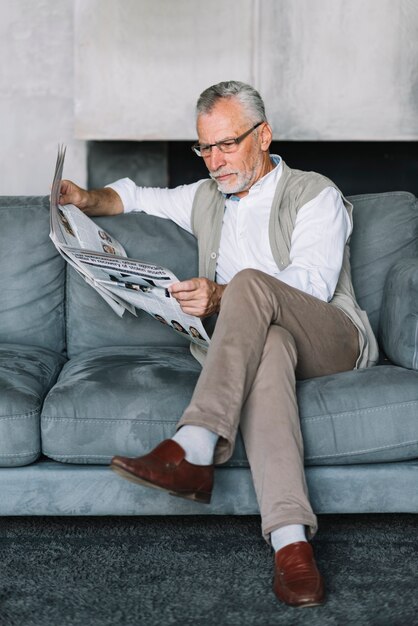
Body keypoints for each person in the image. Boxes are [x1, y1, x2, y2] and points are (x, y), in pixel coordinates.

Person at [59, 80, 378, 608]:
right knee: (269, 347)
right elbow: (137, 196)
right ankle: (290, 543)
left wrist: (223, 295)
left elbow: (312, 286)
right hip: (261, 347)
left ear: (264, 135)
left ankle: (194, 444)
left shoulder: (313, 192)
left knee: (252, 284)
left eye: (227, 143)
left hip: (331, 338)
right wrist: (87, 199)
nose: (214, 160)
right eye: (204, 147)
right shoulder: (209, 197)